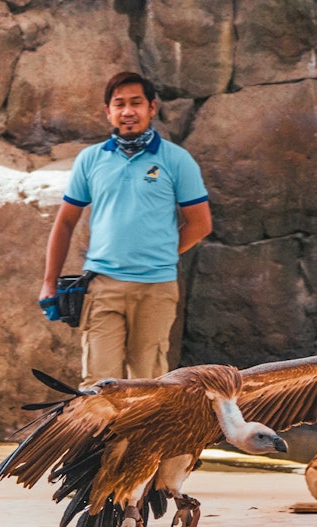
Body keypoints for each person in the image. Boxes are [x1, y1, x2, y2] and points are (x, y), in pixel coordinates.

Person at [40, 71, 213, 389]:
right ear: (108, 112)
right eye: (119, 104)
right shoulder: (90, 160)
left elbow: (201, 223)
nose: (128, 111)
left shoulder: (176, 160)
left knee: (148, 384)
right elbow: (65, 223)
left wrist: (158, 253)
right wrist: (49, 283)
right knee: (97, 385)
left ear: (152, 108)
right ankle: (100, 442)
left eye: (136, 103)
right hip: (103, 287)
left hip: (156, 289)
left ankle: (141, 442)